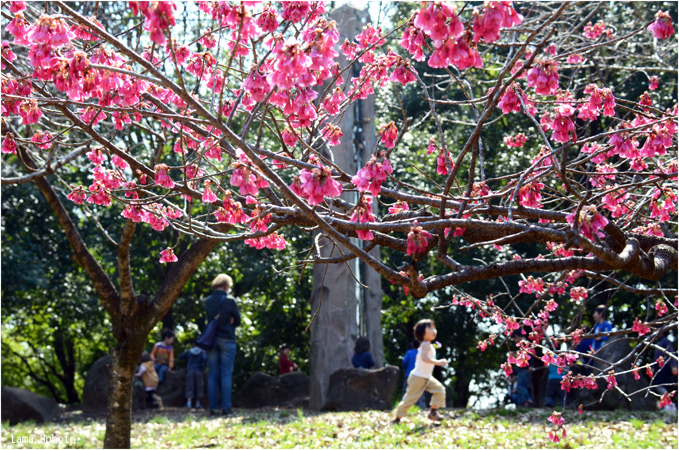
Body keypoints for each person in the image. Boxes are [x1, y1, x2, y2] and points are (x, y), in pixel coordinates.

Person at [393, 319, 448, 423]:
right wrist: (438, 362)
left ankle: (433, 412)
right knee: (410, 399)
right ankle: (397, 418)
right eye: (430, 328)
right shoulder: (425, 345)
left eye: (434, 328)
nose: (434, 330)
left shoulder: (429, 345)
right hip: (417, 377)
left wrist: (438, 361)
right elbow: (424, 358)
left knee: (440, 390)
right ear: (422, 333)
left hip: (426, 377)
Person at [204, 273, 241, 415]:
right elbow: (237, 320)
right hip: (227, 339)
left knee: (212, 373)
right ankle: (226, 408)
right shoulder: (230, 301)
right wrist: (231, 319)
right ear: (226, 285)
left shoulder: (208, 301)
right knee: (226, 373)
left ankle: (213, 408)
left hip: (212, 340)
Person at [652, 330, 678, 410]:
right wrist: (653, 367)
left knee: (659, 385)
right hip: (659, 367)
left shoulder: (665, 341)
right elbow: (656, 357)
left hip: (665, 367)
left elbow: (671, 353)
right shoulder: (659, 342)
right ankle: (667, 403)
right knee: (658, 385)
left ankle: (669, 403)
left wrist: (674, 365)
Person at [179, 341, 208, 408]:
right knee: (199, 387)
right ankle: (198, 403)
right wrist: (204, 368)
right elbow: (205, 359)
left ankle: (189, 403)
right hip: (199, 371)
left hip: (190, 370)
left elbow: (181, 356)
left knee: (189, 386)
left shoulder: (189, 351)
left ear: (193, 344)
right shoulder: (202, 352)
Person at [401, 339, 426, 409]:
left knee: (406, 391)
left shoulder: (409, 352)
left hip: (409, 375)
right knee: (420, 392)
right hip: (420, 375)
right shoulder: (422, 353)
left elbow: (404, 363)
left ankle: (403, 408)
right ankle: (422, 409)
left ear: (412, 345)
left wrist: (406, 370)